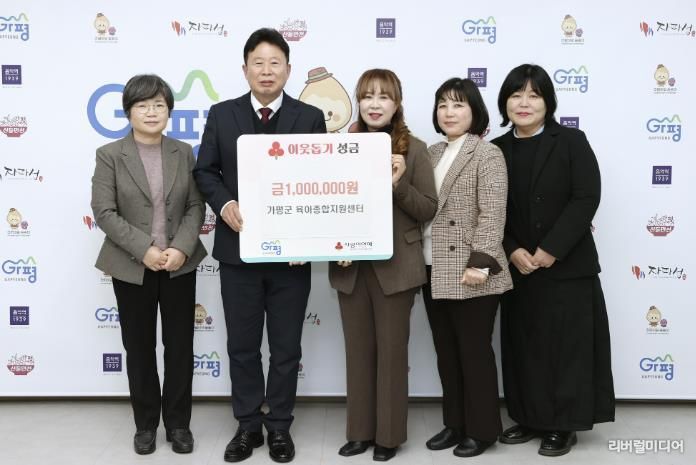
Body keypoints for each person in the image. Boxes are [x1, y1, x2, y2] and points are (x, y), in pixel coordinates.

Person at [193, 28, 326, 463]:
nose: (266, 71)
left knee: (286, 348)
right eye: (258, 63)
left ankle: (280, 427)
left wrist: (310, 237)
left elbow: (319, 181)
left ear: (288, 69)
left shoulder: (309, 117)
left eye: (275, 63)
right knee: (242, 347)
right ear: (245, 68)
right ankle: (248, 425)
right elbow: (205, 171)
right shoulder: (222, 114)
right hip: (238, 253)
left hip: (291, 257)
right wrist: (224, 203)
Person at [491, 64, 615, 457]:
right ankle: (529, 417)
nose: (524, 103)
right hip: (519, 267)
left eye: (534, 95)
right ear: (504, 103)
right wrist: (512, 249)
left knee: (566, 349)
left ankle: (564, 425)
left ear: (548, 102)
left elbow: (586, 197)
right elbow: (490, 209)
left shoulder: (571, 141)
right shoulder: (497, 149)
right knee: (524, 346)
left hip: (567, 267)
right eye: (516, 95)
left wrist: (551, 250)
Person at [91, 74, 207, 455]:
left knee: (180, 347)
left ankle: (178, 424)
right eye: (143, 105)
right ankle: (145, 425)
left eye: (159, 105)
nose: (152, 112)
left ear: (169, 111)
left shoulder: (182, 152)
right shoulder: (110, 154)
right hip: (132, 265)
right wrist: (145, 249)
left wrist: (181, 248)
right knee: (139, 348)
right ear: (129, 112)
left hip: (179, 264)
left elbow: (195, 205)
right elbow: (104, 211)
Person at [329, 69, 437, 462]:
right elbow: (327, 204)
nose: (375, 104)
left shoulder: (415, 149)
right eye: (367, 96)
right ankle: (359, 432)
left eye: (384, 97)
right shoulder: (338, 147)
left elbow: (427, 208)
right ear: (358, 101)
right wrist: (334, 244)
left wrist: (398, 184)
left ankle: (389, 437)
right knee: (358, 353)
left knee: (392, 355)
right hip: (351, 267)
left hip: (397, 268)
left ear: (396, 104)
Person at [421, 78, 512, 457]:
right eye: (443, 104)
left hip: (471, 270)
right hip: (432, 266)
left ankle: (483, 430)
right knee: (447, 353)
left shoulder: (487, 154)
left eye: (458, 104)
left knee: (474, 353)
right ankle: (455, 424)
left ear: (475, 111)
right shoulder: (431, 152)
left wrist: (480, 262)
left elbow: (493, 213)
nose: (449, 112)